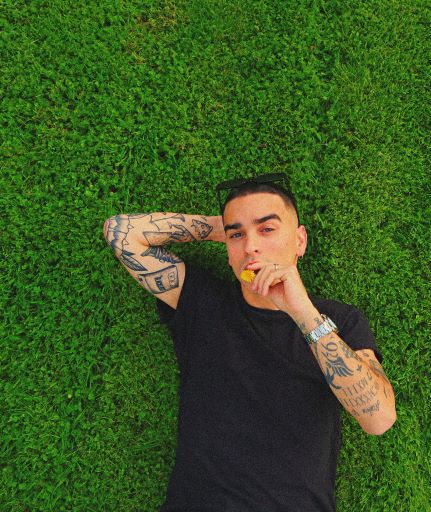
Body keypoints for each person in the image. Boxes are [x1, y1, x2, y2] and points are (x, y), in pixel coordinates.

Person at [103, 173, 396, 512]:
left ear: (299, 241)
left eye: (267, 229)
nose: (250, 246)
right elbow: (121, 233)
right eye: (237, 235)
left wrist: (302, 312)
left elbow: (379, 420)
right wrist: (223, 227)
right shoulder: (203, 302)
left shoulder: (339, 321)